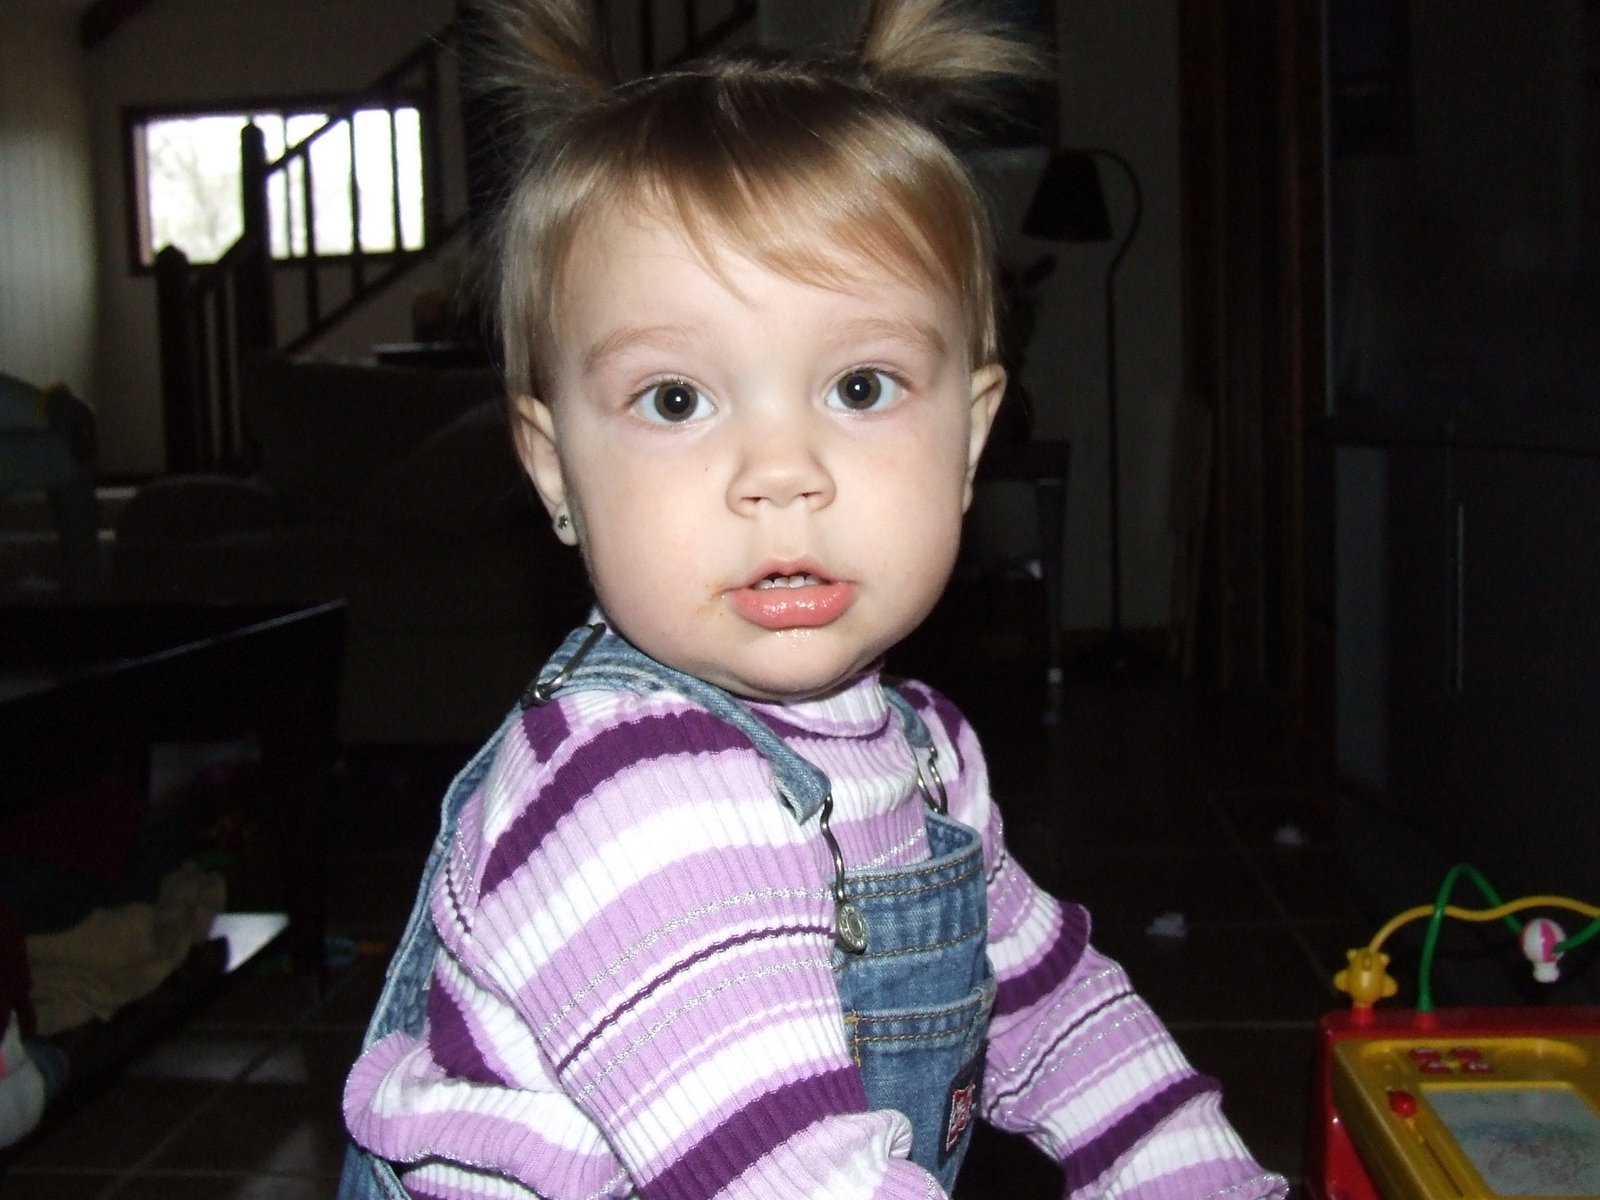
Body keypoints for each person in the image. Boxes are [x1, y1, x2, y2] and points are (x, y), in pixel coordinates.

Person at [340, 2, 1289, 1197]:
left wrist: (1199, 1176)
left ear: (970, 437)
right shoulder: (624, 802)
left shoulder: (927, 757)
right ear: (554, 470)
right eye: (676, 400)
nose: (781, 472)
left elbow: (1058, 1015)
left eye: (859, 385)